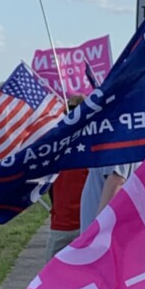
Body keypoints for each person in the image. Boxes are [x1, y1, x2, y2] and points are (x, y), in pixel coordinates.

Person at [45, 95, 88, 258]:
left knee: (51, 278)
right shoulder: (94, 143)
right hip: (83, 221)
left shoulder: (56, 145)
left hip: (65, 223)